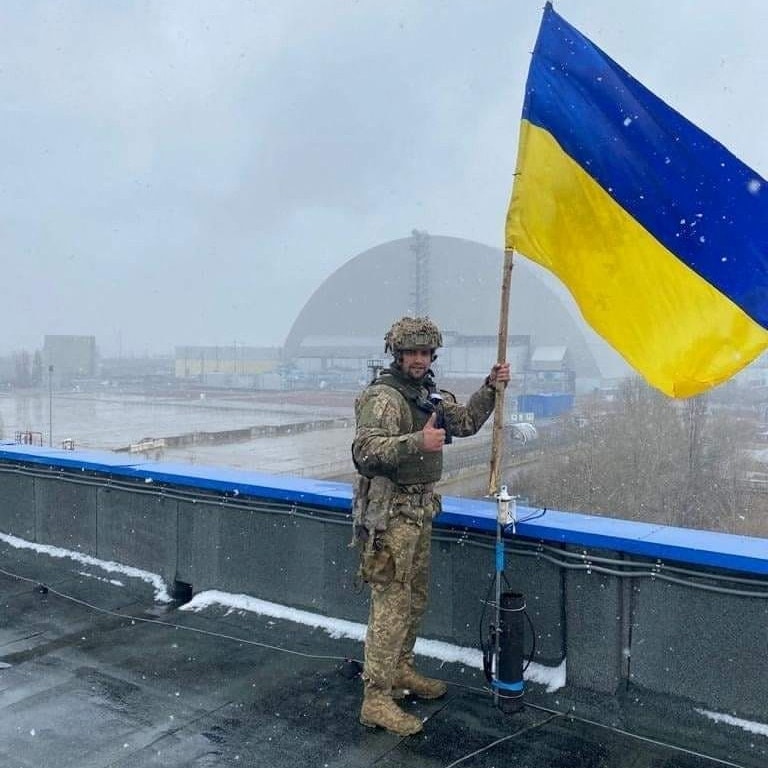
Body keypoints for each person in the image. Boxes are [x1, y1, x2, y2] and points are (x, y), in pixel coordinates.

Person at [351, 316, 511, 735]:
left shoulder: (428, 395)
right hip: (391, 519)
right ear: (397, 354)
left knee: (415, 600)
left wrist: (490, 387)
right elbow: (364, 452)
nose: (419, 359)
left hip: (419, 514)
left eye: (425, 352)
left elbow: (466, 422)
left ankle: (400, 669)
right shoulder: (384, 398)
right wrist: (416, 442)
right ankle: (375, 698)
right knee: (390, 607)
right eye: (411, 353)